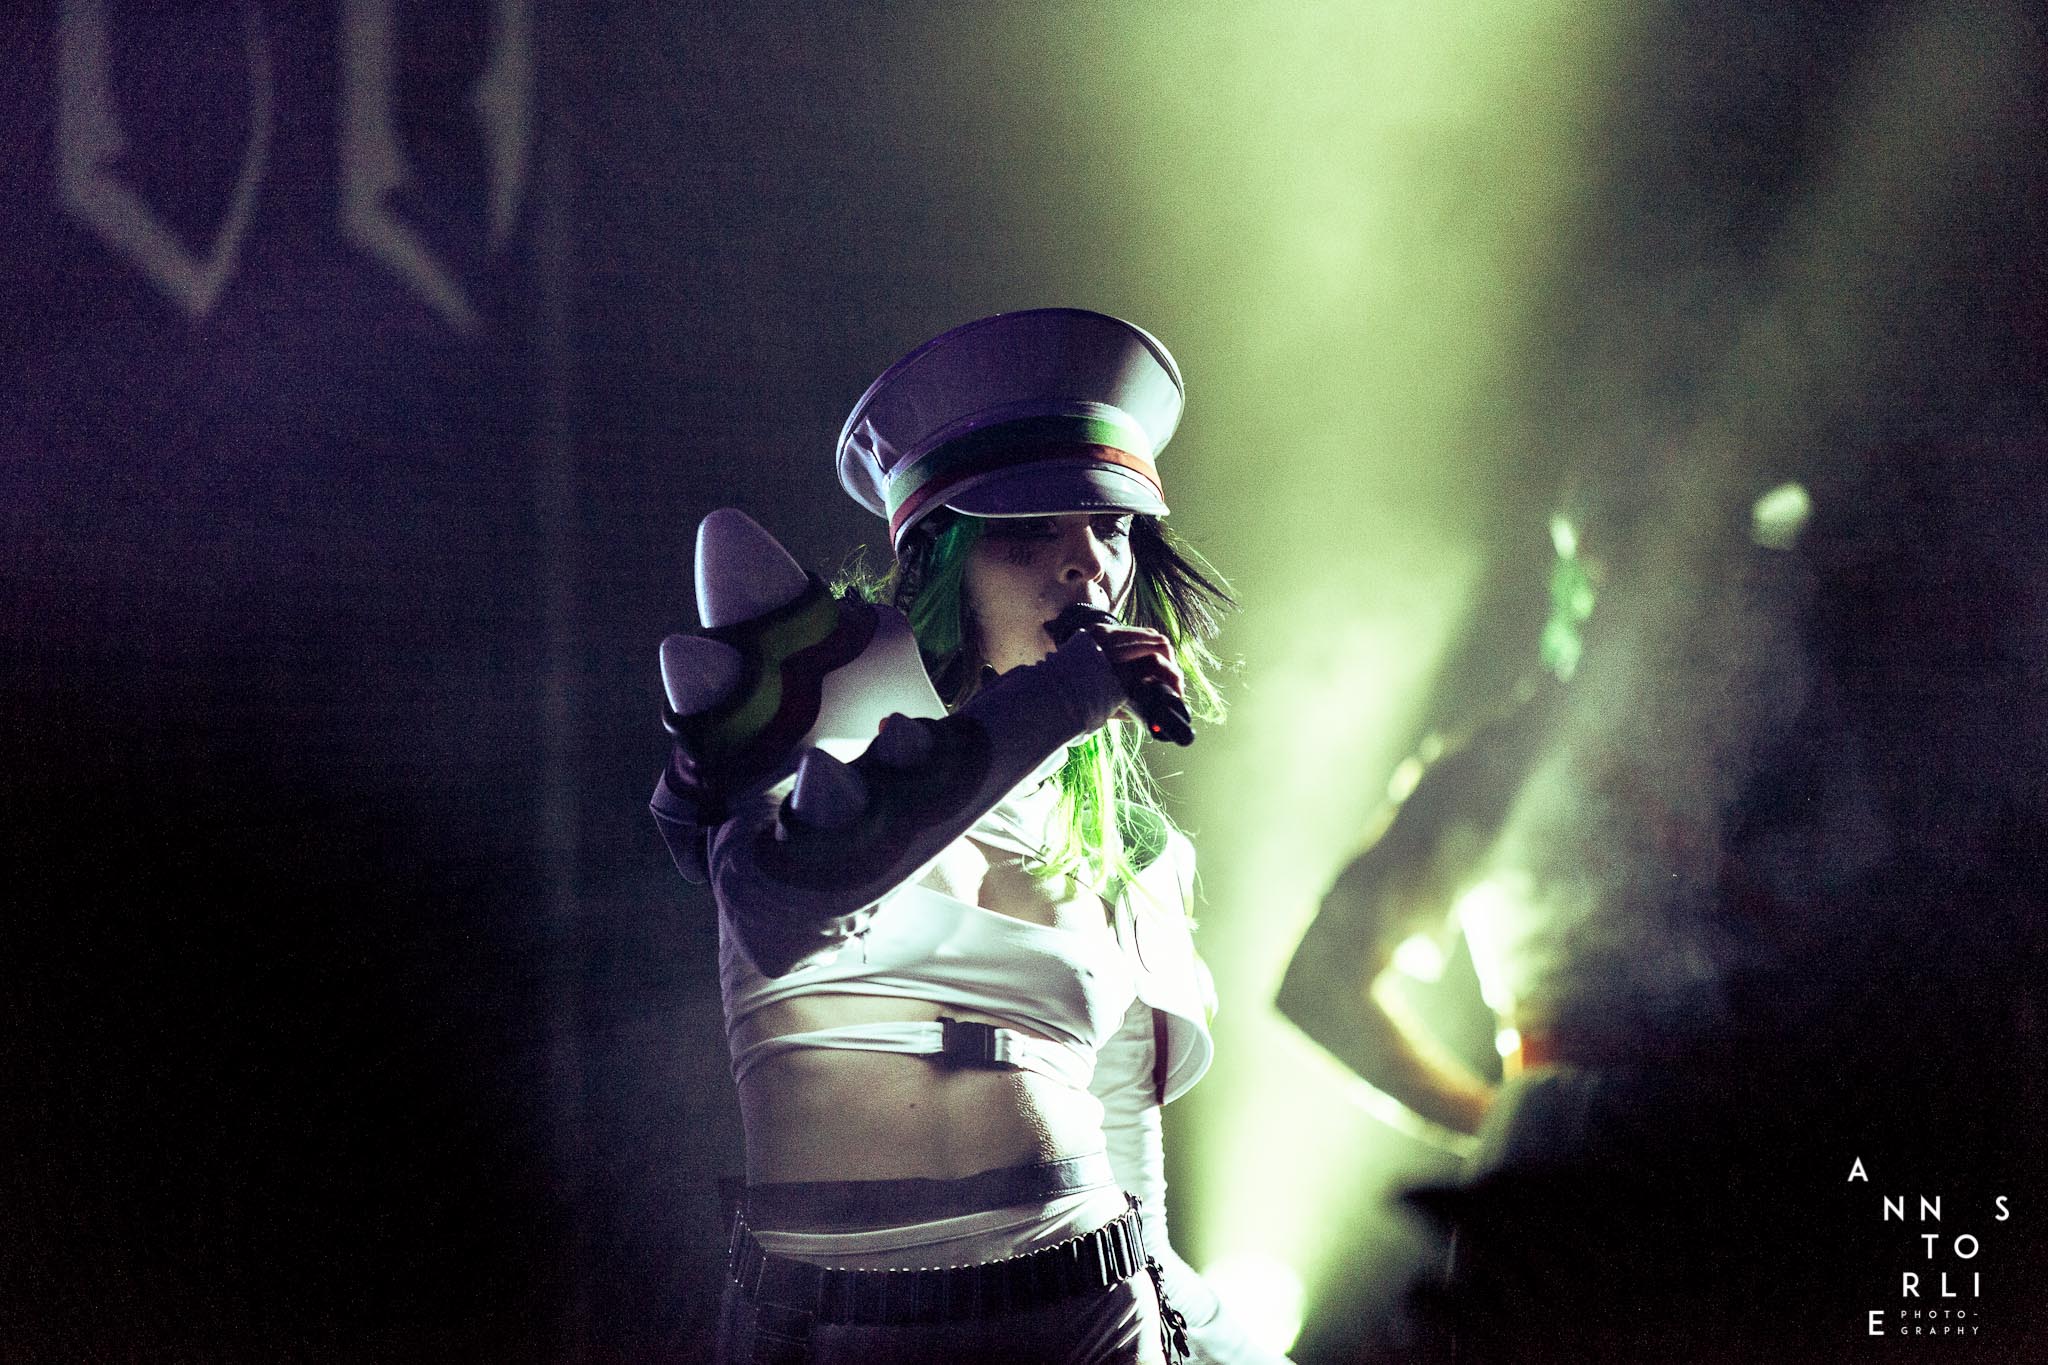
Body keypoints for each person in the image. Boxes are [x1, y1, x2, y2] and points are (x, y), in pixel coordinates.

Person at [651, 309, 1287, 1363]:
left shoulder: (1130, 850)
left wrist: (1234, 1349)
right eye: (1026, 530)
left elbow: (1138, 1185)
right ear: (941, 557)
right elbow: (783, 900)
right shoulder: (817, 709)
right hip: (825, 1327)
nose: (1086, 566)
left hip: (1093, 1317)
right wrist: (1060, 697)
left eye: (1110, 529)